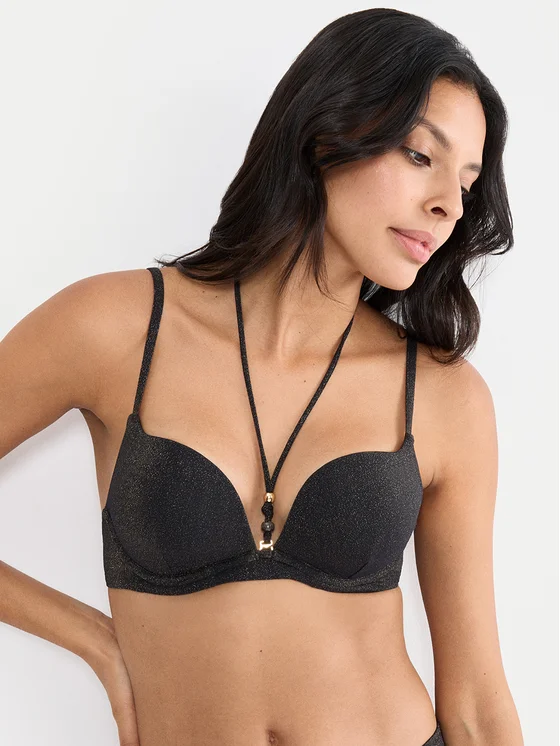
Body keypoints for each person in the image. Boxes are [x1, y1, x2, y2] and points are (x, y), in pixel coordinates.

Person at [0, 8, 524, 746]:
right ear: (326, 132)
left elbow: (475, 704)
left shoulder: (443, 396)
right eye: (419, 155)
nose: (449, 204)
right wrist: (95, 641)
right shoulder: (114, 329)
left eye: (468, 182)